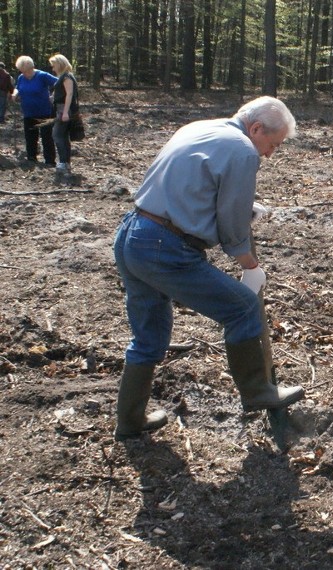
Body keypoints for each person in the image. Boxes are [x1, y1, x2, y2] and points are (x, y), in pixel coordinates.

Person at [112, 96, 305, 441]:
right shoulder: (243, 149)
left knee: (148, 337)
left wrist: (244, 206)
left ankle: (129, 420)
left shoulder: (199, 128)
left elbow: (193, 189)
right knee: (242, 307)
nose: (269, 154)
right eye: (272, 144)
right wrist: (249, 263)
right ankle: (258, 392)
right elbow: (232, 223)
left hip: (133, 235)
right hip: (165, 248)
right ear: (256, 128)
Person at [12, 55, 57, 166]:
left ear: (31, 68)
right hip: (28, 112)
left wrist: (54, 96)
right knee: (30, 137)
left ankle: (50, 161)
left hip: (44, 112)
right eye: (22, 71)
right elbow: (18, 87)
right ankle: (31, 158)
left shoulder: (42, 76)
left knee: (47, 138)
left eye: (26, 71)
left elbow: (60, 84)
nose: (24, 74)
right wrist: (15, 93)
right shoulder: (21, 77)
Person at [49, 54, 78, 174]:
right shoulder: (63, 76)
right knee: (63, 136)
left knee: (57, 135)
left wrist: (65, 112)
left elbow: (69, 94)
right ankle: (65, 163)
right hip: (60, 109)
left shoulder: (67, 77)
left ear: (59, 64)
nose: (53, 69)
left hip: (63, 110)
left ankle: (63, 162)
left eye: (54, 65)